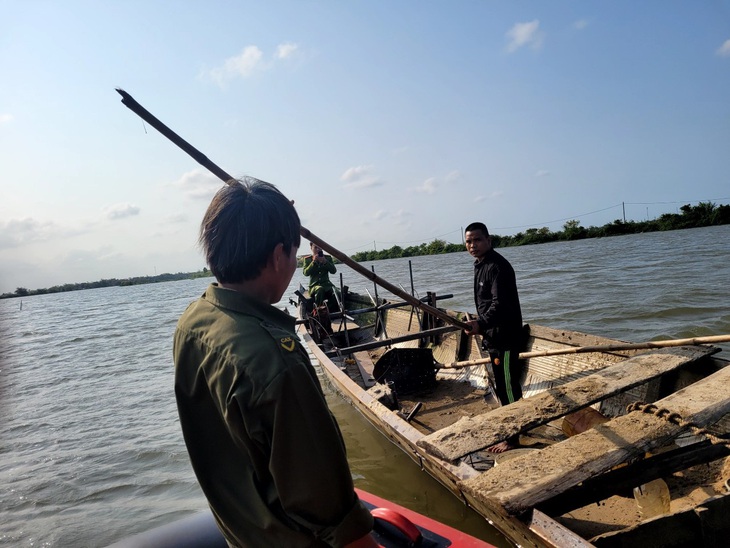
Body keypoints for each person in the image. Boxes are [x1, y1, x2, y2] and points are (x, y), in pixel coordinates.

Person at [173, 178, 376, 548]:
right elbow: (335, 521)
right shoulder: (276, 362)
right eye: (294, 255)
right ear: (279, 255)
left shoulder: (194, 320)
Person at [463, 222, 528, 453]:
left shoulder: (498, 266)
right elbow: (486, 304)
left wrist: (480, 323)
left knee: (508, 388)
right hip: (493, 337)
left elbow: (500, 305)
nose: (473, 245)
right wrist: (480, 326)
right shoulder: (480, 265)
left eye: (477, 240)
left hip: (506, 339)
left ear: (489, 240)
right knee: (502, 387)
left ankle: (513, 438)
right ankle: (514, 429)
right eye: (469, 241)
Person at [302, 243, 338, 312]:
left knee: (336, 292)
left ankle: (331, 310)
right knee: (320, 289)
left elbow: (333, 271)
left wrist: (325, 262)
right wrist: (313, 262)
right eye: (315, 247)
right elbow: (306, 273)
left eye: (320, 247)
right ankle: (319, 311)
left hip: (327, 285)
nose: (318, 249)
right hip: (314, 286)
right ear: (311, 248)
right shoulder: (308, 259)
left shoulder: (327, 258)